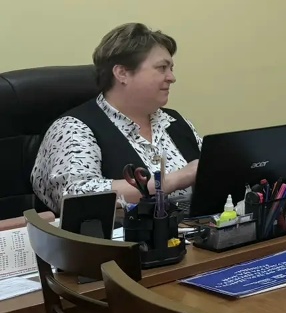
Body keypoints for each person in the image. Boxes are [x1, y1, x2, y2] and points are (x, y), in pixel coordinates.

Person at [30, 23, 202, 213]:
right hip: (116, 232)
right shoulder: (73, 128)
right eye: (162, 68)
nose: (171, 77)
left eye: (171, 68)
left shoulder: (175, 122)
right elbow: (74, 195)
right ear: (122, 73)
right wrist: (173, 180)